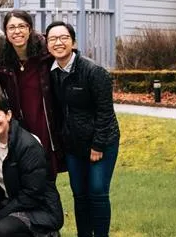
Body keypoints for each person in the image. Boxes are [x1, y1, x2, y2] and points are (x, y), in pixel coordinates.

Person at [46, 21, 120, 237]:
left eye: (63, 38)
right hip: (73, 144)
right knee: (79, 194)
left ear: (73, 42)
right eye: (53, 39)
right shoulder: (51, 73)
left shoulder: (94, 72)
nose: (58, 43)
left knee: (97, 192)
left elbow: (105, 113)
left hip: (101, 142)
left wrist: (98, 145)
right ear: (47, 44)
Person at [0, 95, 64, 237]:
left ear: (8, 115)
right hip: (11, 205)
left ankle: (48, 234)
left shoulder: (28, 145)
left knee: (1, 231)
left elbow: (33, 193)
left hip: (39, 208)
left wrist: (0, 216)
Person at [0, 10, 62, 176]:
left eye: (22, 26)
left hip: (45, 121)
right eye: (12, 27)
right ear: (6, 32)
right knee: (24, 172)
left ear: (30, 29)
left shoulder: (46, 56)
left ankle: (49, 202)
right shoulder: (3, 61)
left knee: (46, 173)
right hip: (20, 125)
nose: (17, 31)